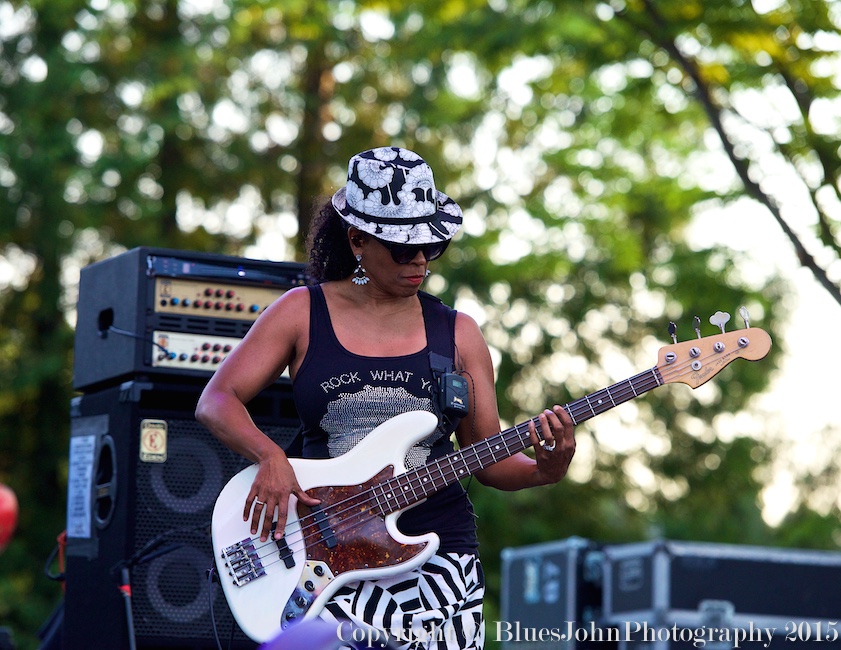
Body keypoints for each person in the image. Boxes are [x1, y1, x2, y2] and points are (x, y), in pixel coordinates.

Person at [195, 146, 576, 650]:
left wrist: (545, 470)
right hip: (321, 555)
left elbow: (487, 458)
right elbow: (217, 400)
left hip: (439, 561)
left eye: (431, 246)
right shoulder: (300, 312)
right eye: (402, 248)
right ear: (357, 240)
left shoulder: (459, 333)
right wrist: (269, 456)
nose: (420, 259)